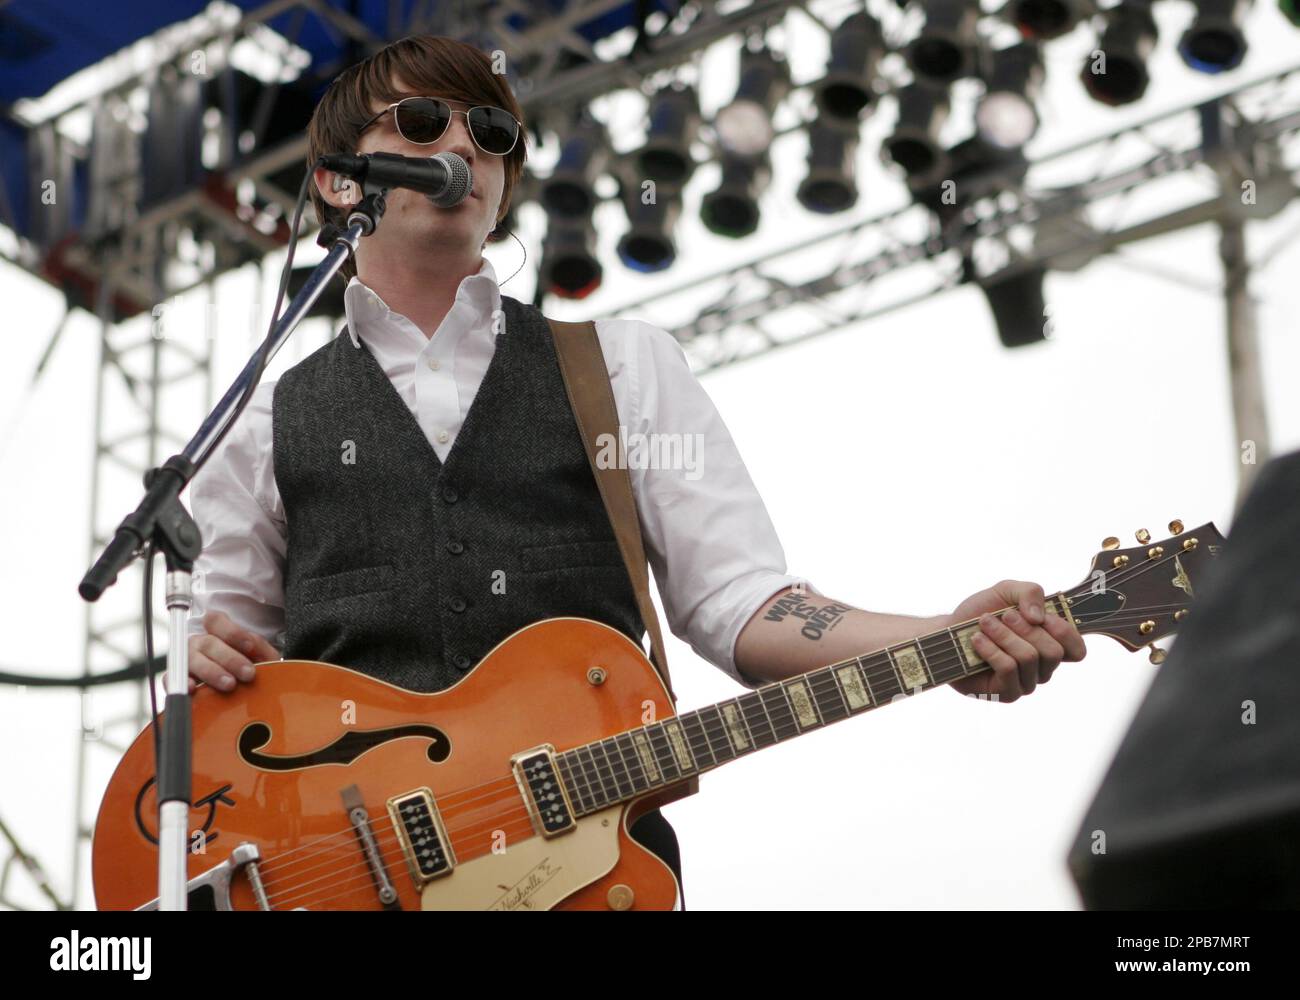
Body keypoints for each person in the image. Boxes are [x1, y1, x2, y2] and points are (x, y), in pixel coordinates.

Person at [183, 34, 1087, 910]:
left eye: (491, 135)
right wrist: (203, 659)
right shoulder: (258, 422)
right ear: (341, 181)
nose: (462, 144)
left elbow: (738, 600)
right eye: (421, 123)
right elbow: (232, 706)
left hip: (598, 876)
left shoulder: (620, 368)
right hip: (353, 886)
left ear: (501, 194)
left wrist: (936, 639)